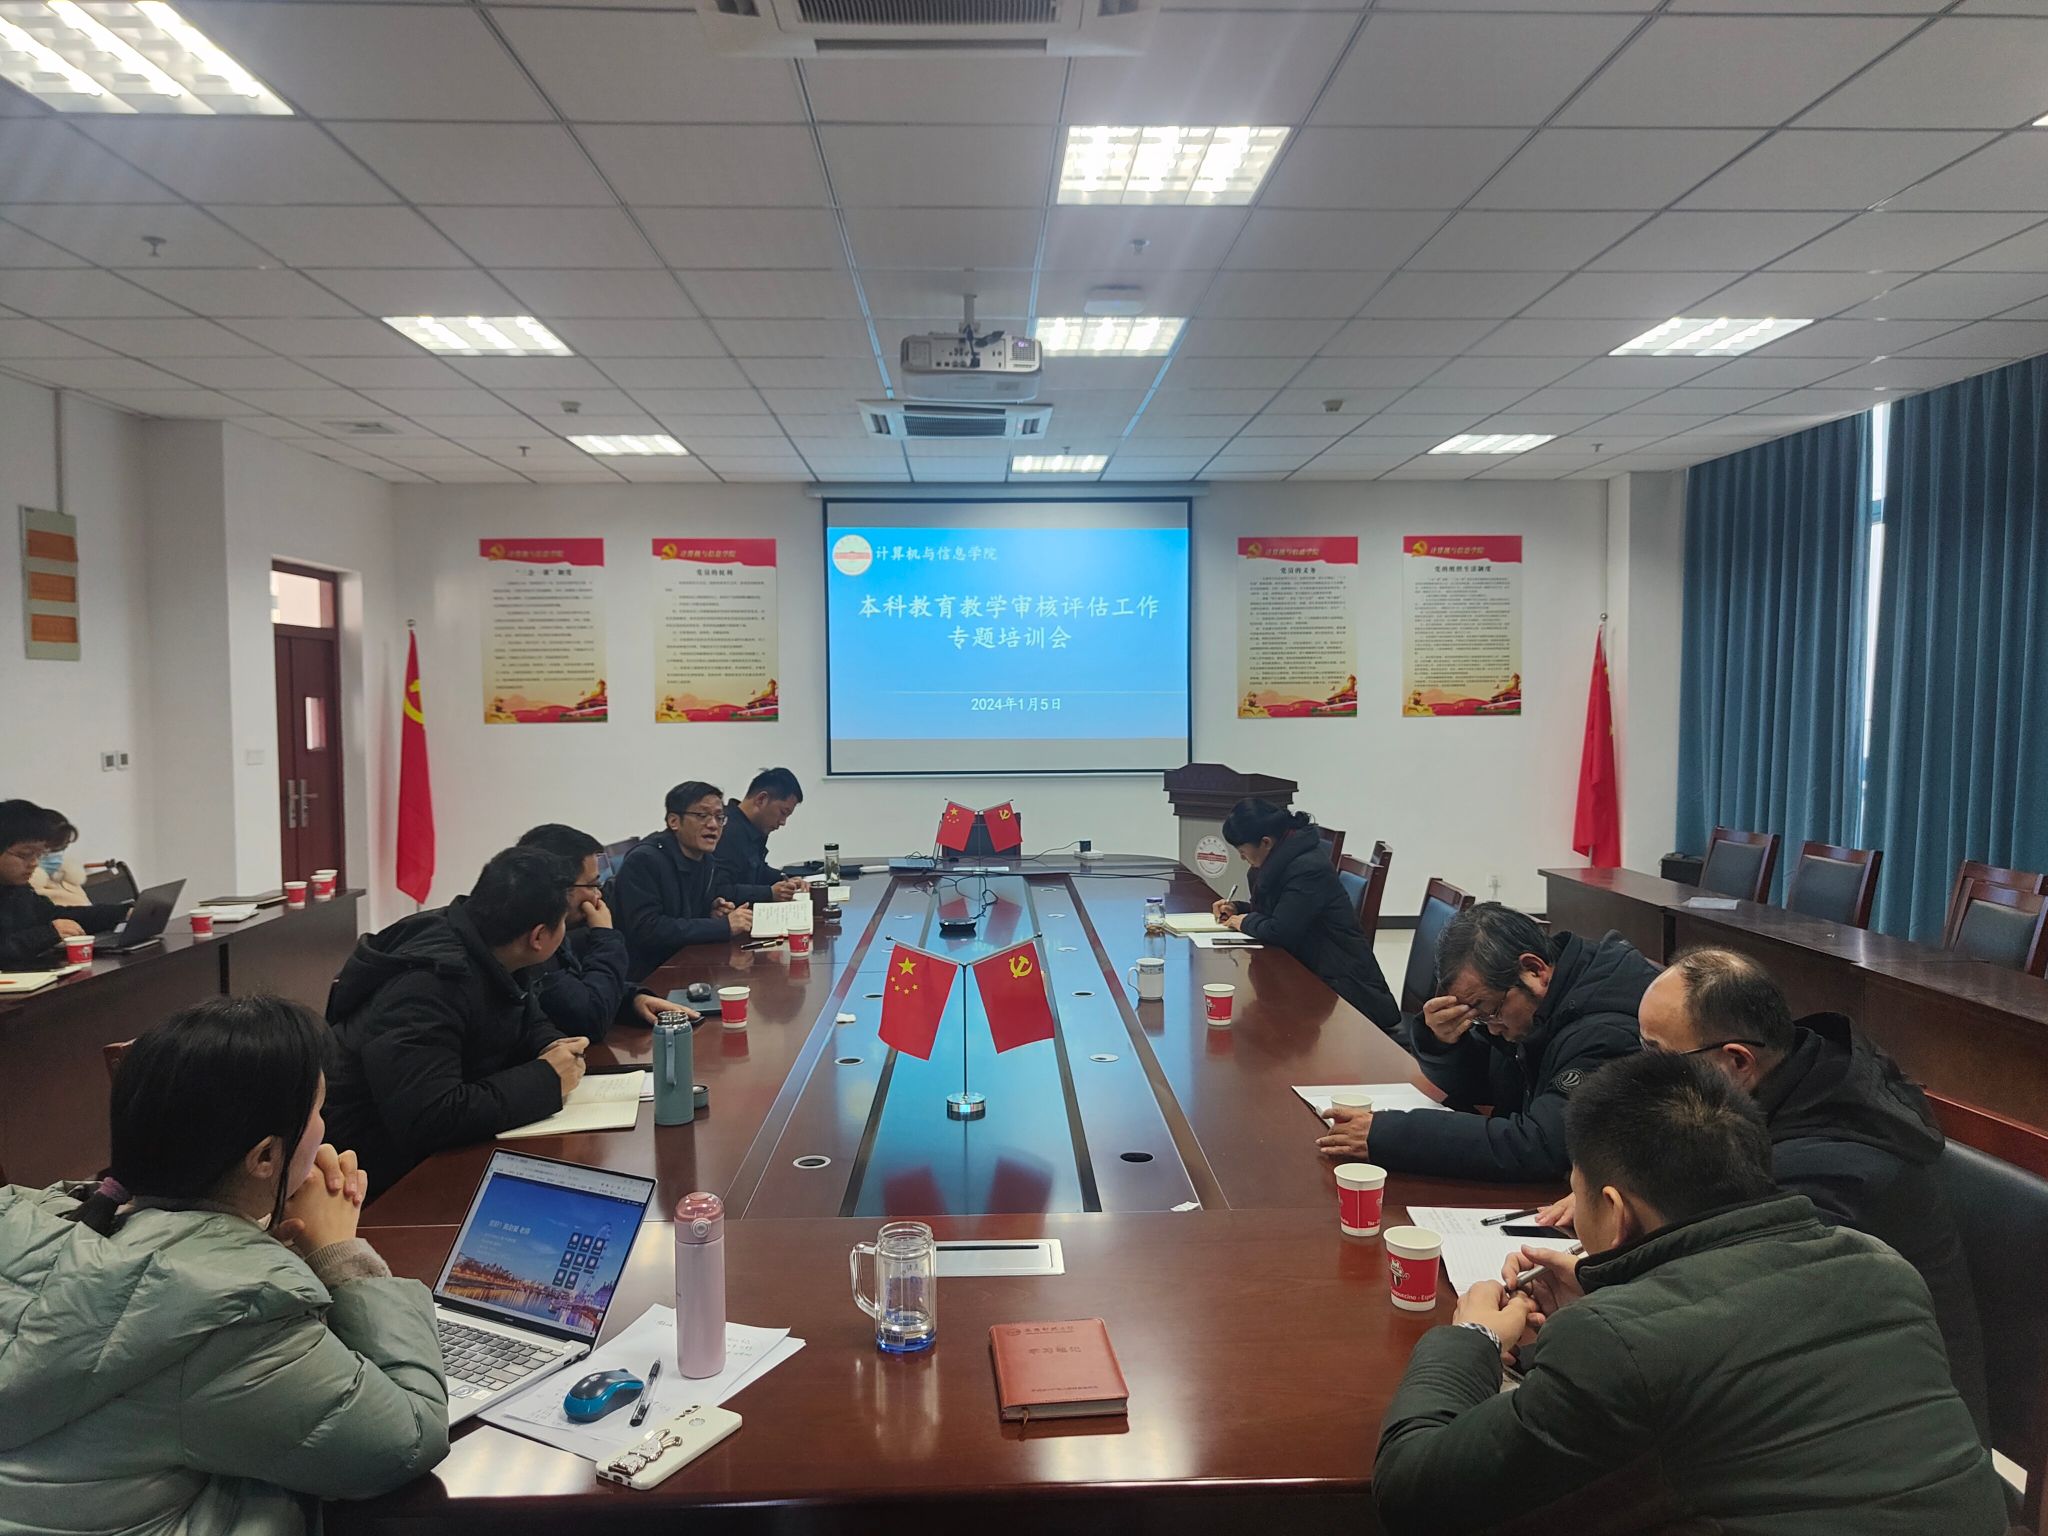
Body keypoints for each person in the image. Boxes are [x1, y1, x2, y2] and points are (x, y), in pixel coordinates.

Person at [1373, 1051, 2007, 1535]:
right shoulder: (1882, 1267)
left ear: (1614, 1211)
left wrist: (1473, 1336)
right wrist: (1613, 1297)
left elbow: (1411, 1492)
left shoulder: (1617, 1345)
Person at [0, 996, 449, 1533]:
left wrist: (257, 1246)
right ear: (265, 1157)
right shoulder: (231, 1316)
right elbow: (408, 1438)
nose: (324, 1130)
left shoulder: (36, 1218)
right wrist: (340, 1256)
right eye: (317, 1111)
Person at [1531, 946, 1989, 1439]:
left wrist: (1606, 1284)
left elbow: (1730, 1318)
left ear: (1736, 1061)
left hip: (1890, 1437)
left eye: (1657, 1055)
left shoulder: (1826, 1172)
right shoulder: (1791, 1086)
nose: (1641, 1073)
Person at [323, 847, 588, 1199]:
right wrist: (547, 1079)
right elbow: (430, 1118)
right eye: (563, 924)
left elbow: (526, 1015)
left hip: (428, 1154)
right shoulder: (429, 985)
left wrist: (552, 1045)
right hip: (373, 1179)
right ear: (538, 937)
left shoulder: (490, 944)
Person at [1320, 902, 1651, 1179]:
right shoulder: (1541, 1004)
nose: (1491, 1029)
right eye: (1479, 1019)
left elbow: (1539, 1145)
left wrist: (1389, 1135)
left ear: (1534, 970)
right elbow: (1485, 1087)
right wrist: (1443, 1045)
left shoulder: (1606, 1032)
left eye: (1491, 1011)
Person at [1210, 799, 1398, 1033]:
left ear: (1266, 842)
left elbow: (1280, 930)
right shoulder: (1283, 860)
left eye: (1242, 851)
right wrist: (1239, 909)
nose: (1241, 858)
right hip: (1311, 971)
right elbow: (1283, 912)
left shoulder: (1307, 868)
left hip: (1343, 990)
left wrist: (1246, 922)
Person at [516, 823, 695, 1042]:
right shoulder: (533, 943)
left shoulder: (560, 932)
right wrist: (604, 935)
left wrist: (632, 1000)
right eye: (591, 885)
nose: (598, 895)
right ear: (557, 888)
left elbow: (580, 986)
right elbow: (590, 1019)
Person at [612, 781, 756, 980]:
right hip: (649, 974)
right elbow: (648, 929)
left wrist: (710, 913)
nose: (713, 825)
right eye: (702, 815)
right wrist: (722, 927)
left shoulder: (705, 859)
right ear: (674, 821)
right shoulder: (645, 860)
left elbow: (682, 916)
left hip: (688, 962)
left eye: (719, 817)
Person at [0, 799, 129, 967]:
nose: (34, 863)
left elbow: (54, 915)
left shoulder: (17, 888)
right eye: (25, 854)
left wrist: (121, 913)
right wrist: (49, 933)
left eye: (39, 854)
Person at [711, 768, 808, 905]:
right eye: (783, 812)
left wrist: (785, 879)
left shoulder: (753, 828)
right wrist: (769, 893)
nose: (783, 822)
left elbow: (758, 870)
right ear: (761, 799)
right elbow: (719, 890)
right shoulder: (725, 830)